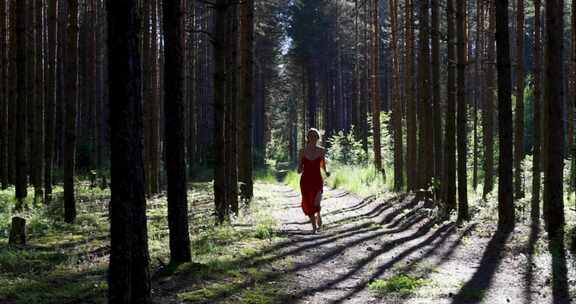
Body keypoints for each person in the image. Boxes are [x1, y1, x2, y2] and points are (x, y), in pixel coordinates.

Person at [298, 128, 330, 233]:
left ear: (317, 138)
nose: (313, 138)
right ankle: (314, 227)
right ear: (307, 138)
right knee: (308, 203)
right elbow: (299, 167)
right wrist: (299, 169)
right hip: (305, 180)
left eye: (315, 136)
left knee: (316, 201)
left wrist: (327, 172)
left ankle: (319, 214)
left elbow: (323, 166)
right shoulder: (302, 151)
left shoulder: (321, 150)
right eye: (310, 136)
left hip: (317, 179)